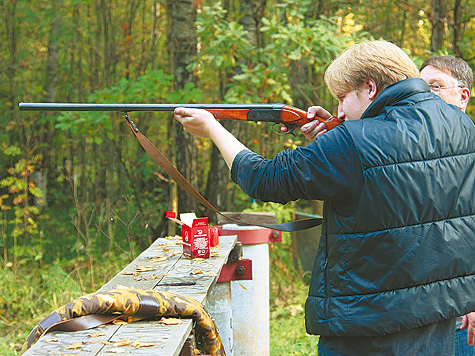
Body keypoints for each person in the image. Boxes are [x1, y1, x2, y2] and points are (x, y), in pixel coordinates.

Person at [174, 40, 475, 355]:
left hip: (365, 325)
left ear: (370, 87)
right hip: (436, 318)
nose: (341, 110)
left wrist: (213, 129)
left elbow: (266, 180)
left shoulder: (350, 142)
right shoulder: (461, 125)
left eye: (343, 97)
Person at [420, 55, 474, 356]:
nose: (426, 94)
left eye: (436, 86)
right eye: (420, 87)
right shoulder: (410, 146)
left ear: (462, 95)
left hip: (462, 313)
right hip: (419, 308)